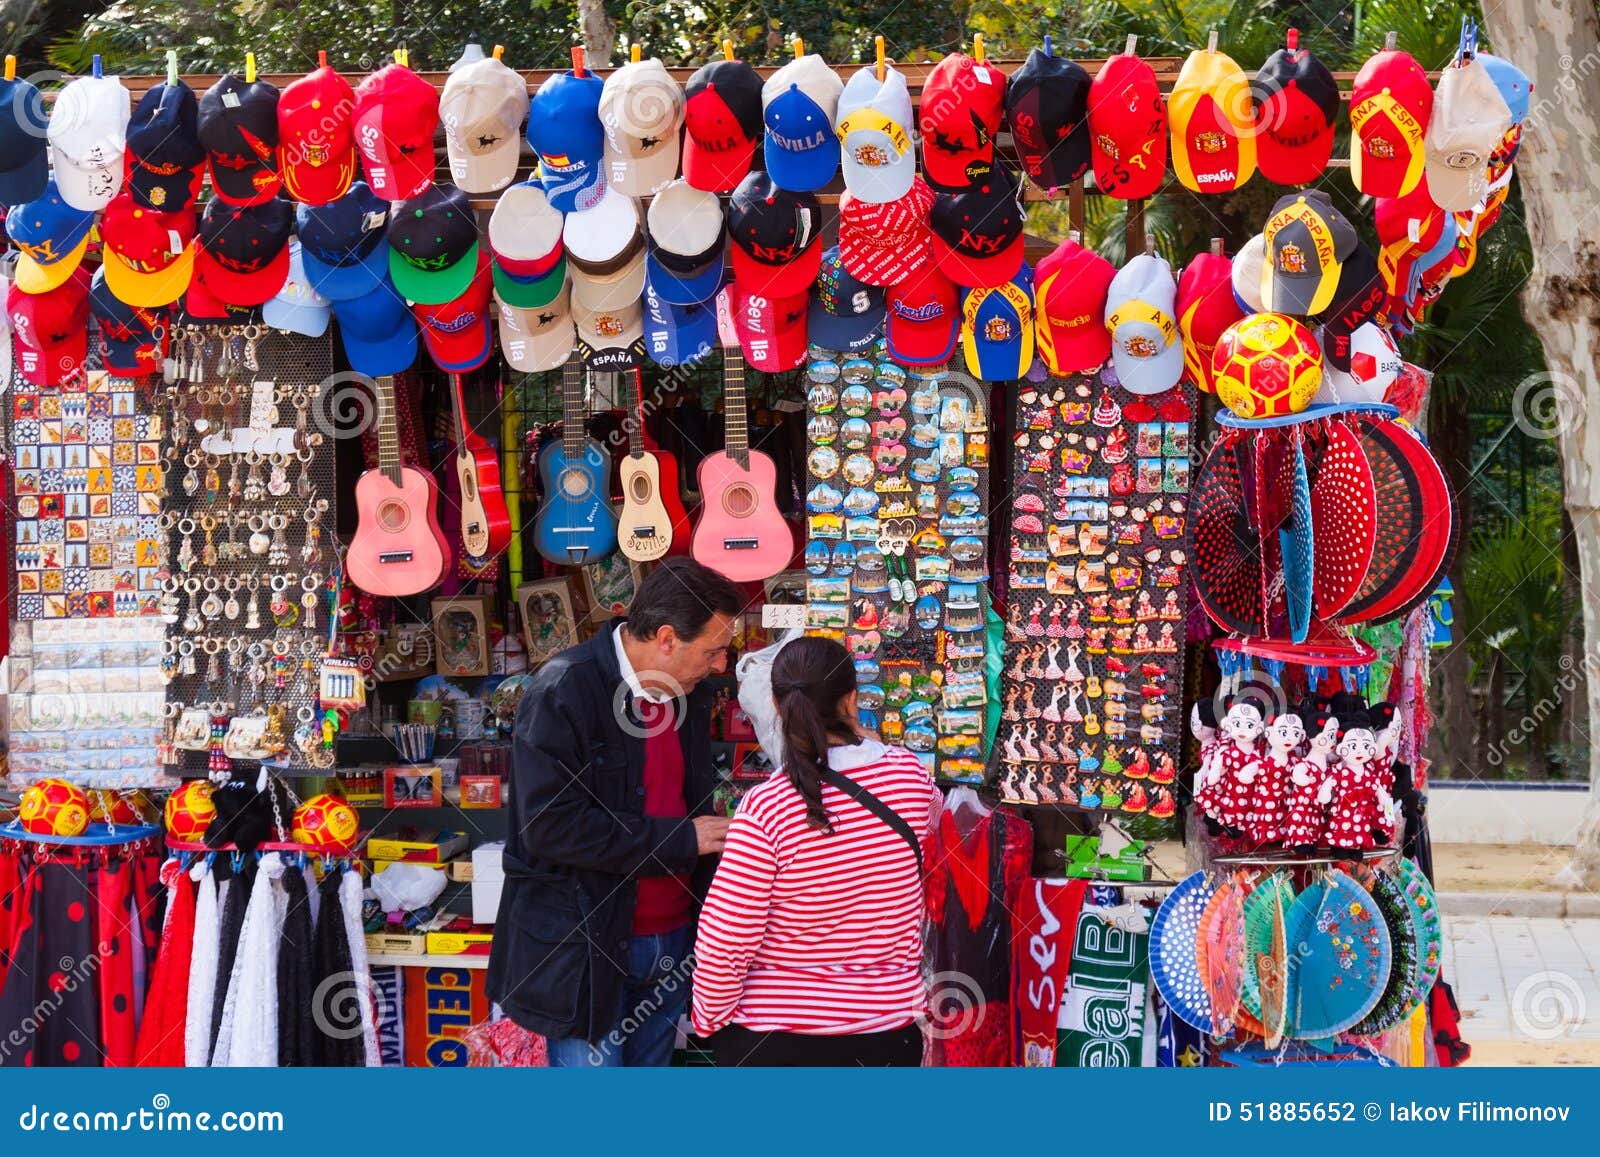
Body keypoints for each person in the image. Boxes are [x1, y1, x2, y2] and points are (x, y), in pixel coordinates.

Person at [488, 557, 743, 1066]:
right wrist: (681, 840)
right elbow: (550, 827)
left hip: (673, 940)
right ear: (667, 639)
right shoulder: (565, 689)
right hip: (588, 946)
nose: (721, 665)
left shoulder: (688, 694)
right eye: (714, 651)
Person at [691, 636, 940, 1066]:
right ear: (852, 697)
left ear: (775, 702)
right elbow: (930, 822)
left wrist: (709, 1020)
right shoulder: (910, 779)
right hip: (885, 1033)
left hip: (777, 1037)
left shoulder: (767, 807)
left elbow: (727, 937)